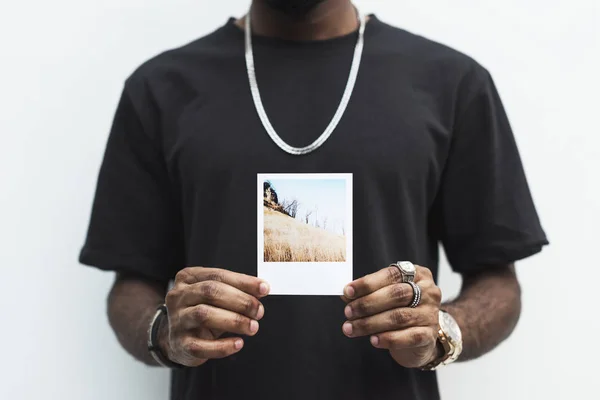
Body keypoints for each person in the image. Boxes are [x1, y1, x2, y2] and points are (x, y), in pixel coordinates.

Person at [79, 0, 548, 399]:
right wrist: (165, 332)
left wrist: (441, 332)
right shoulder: (160, 88)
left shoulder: (452, 83)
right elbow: (130, 285)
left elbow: (498, 281)